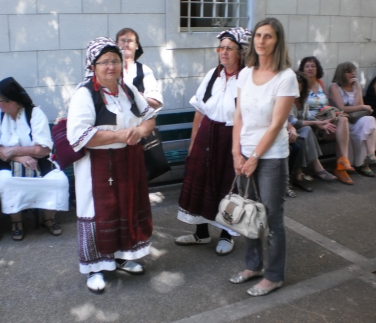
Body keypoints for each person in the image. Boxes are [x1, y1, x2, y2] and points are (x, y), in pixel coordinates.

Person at [67, 37, 156, 294]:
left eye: (115, 60)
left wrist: (139, 131)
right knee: (99, 212)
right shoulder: (85, 94)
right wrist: (120, 135)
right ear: (93, 65)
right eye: (104, 62)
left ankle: (120, 256)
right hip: (97, 165)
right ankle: (95, 267)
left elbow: (149, 118)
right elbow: (79, 136)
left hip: (127, 162)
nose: (111, 66)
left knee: (124, 208)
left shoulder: (127, 89)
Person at [230, 17, 298, 296]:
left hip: (271, 156)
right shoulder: (246, 73)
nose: (261, 41)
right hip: (244, 152)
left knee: (271, 217)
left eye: (268, 36)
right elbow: (238, 115)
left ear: (277, 41)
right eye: (258, 35)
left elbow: (276, 124)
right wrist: (236, 152)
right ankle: (253, 266)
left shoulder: (286, 77)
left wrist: (255, 156)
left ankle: (274, 275)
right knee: (250, 214)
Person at [175, 27, 252, 256]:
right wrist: (192, 142)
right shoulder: (212, 75)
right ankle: (201, 233)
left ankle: (227, 235)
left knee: (227, 188)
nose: (223, 52)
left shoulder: (248, 79)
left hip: (231, 138)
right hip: (206, 135)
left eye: (229, 48)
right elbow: (200, 110)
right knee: (201, 182)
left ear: (242, 52)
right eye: (221, 48)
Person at [0, 77, 69, 241]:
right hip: (5, 162)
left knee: (59, 180)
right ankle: (16, 221)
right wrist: (19, 157)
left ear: (11, 102)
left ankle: (48, 217)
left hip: (38, 160)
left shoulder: (34, 113)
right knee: (6, 181)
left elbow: (44, 149)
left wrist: (15, 150)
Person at [299, 56, 354, 184]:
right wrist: (320, 120)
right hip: (313, 123)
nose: (310, 69)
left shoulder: (320, 83)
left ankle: (342, 162)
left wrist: (331, 114)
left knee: (343, 121)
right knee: (341, 127)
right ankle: (339, 169)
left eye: (313, 66)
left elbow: (325, 105)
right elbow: (301, 110)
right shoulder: (301, 85)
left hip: (326, 120)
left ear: (317, 69)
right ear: (302, 69)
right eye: (307, 66)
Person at [329, 62, 376, 176]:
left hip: (356, 120)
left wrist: (357, 86)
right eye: (349, 71)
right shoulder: (334, 87)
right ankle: (363, 164)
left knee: (369, 121)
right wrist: (362, 106)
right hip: (342, 121)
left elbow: (359, 109)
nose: (353, 74)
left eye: (354, 71)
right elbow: (342, 108)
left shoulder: (354, 86)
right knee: (363, 129)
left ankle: (370, 156)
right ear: (341, 73)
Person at [288, 73, 337, 190]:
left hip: (301, 131)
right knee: (306, 131)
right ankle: (316, 169)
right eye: (295, 87)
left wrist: (320, 123)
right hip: (289, 130)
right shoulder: (287, 100)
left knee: (305, 133)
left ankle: (300, 175)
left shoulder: (303, 99)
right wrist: (315, 123)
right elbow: (292, 121)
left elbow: (308, 116)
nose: (297, 90)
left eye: (300, 87)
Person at [115, 27, 164, 110]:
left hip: (141, 121)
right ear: (116, 44)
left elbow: (156, 102)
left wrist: (137, 97)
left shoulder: (144, 70)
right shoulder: (110, 69)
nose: (126, 44)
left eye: (130, 41)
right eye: (123, 41)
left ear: (137, 46)